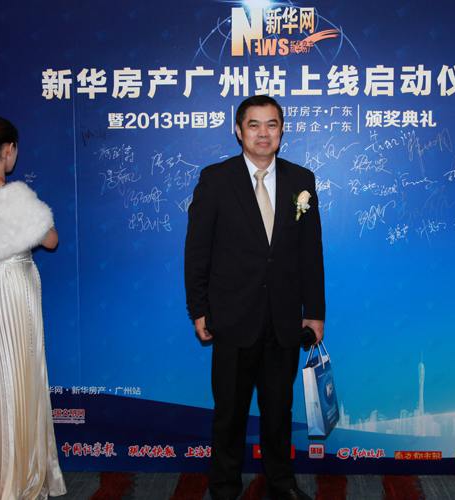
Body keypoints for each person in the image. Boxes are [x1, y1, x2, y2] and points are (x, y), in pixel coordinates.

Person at [185, 95, 325, 500]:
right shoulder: (216, 179)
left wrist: (314, 311)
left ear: (282, 130)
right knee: (229, 412)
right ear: (238, 130)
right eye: (254, 125)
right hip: (231, 318)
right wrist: (199, 309)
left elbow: (310, 253)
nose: (263, 134)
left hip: (283, 320)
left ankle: (282, 484)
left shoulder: (302, 180)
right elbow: (197, 251)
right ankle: (224, 487)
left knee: (279, 412)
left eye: (272, 124)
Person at [0, 116, 66, 499]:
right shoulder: (14, 195)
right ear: (8, 149)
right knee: (21, 377)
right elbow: (51, 240)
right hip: (16, 288)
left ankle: (3, 473)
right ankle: (22, 475)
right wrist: (34, 219)